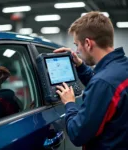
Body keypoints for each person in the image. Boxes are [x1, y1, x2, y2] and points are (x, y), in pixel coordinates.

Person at [54, 11, 128, 150]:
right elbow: (108, 90)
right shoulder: (121, 67)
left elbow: (77, 134)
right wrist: (81, 66)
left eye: (77, 45)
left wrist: (70, 103)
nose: (76, 51)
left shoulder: (103, 82)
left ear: (88, 43)